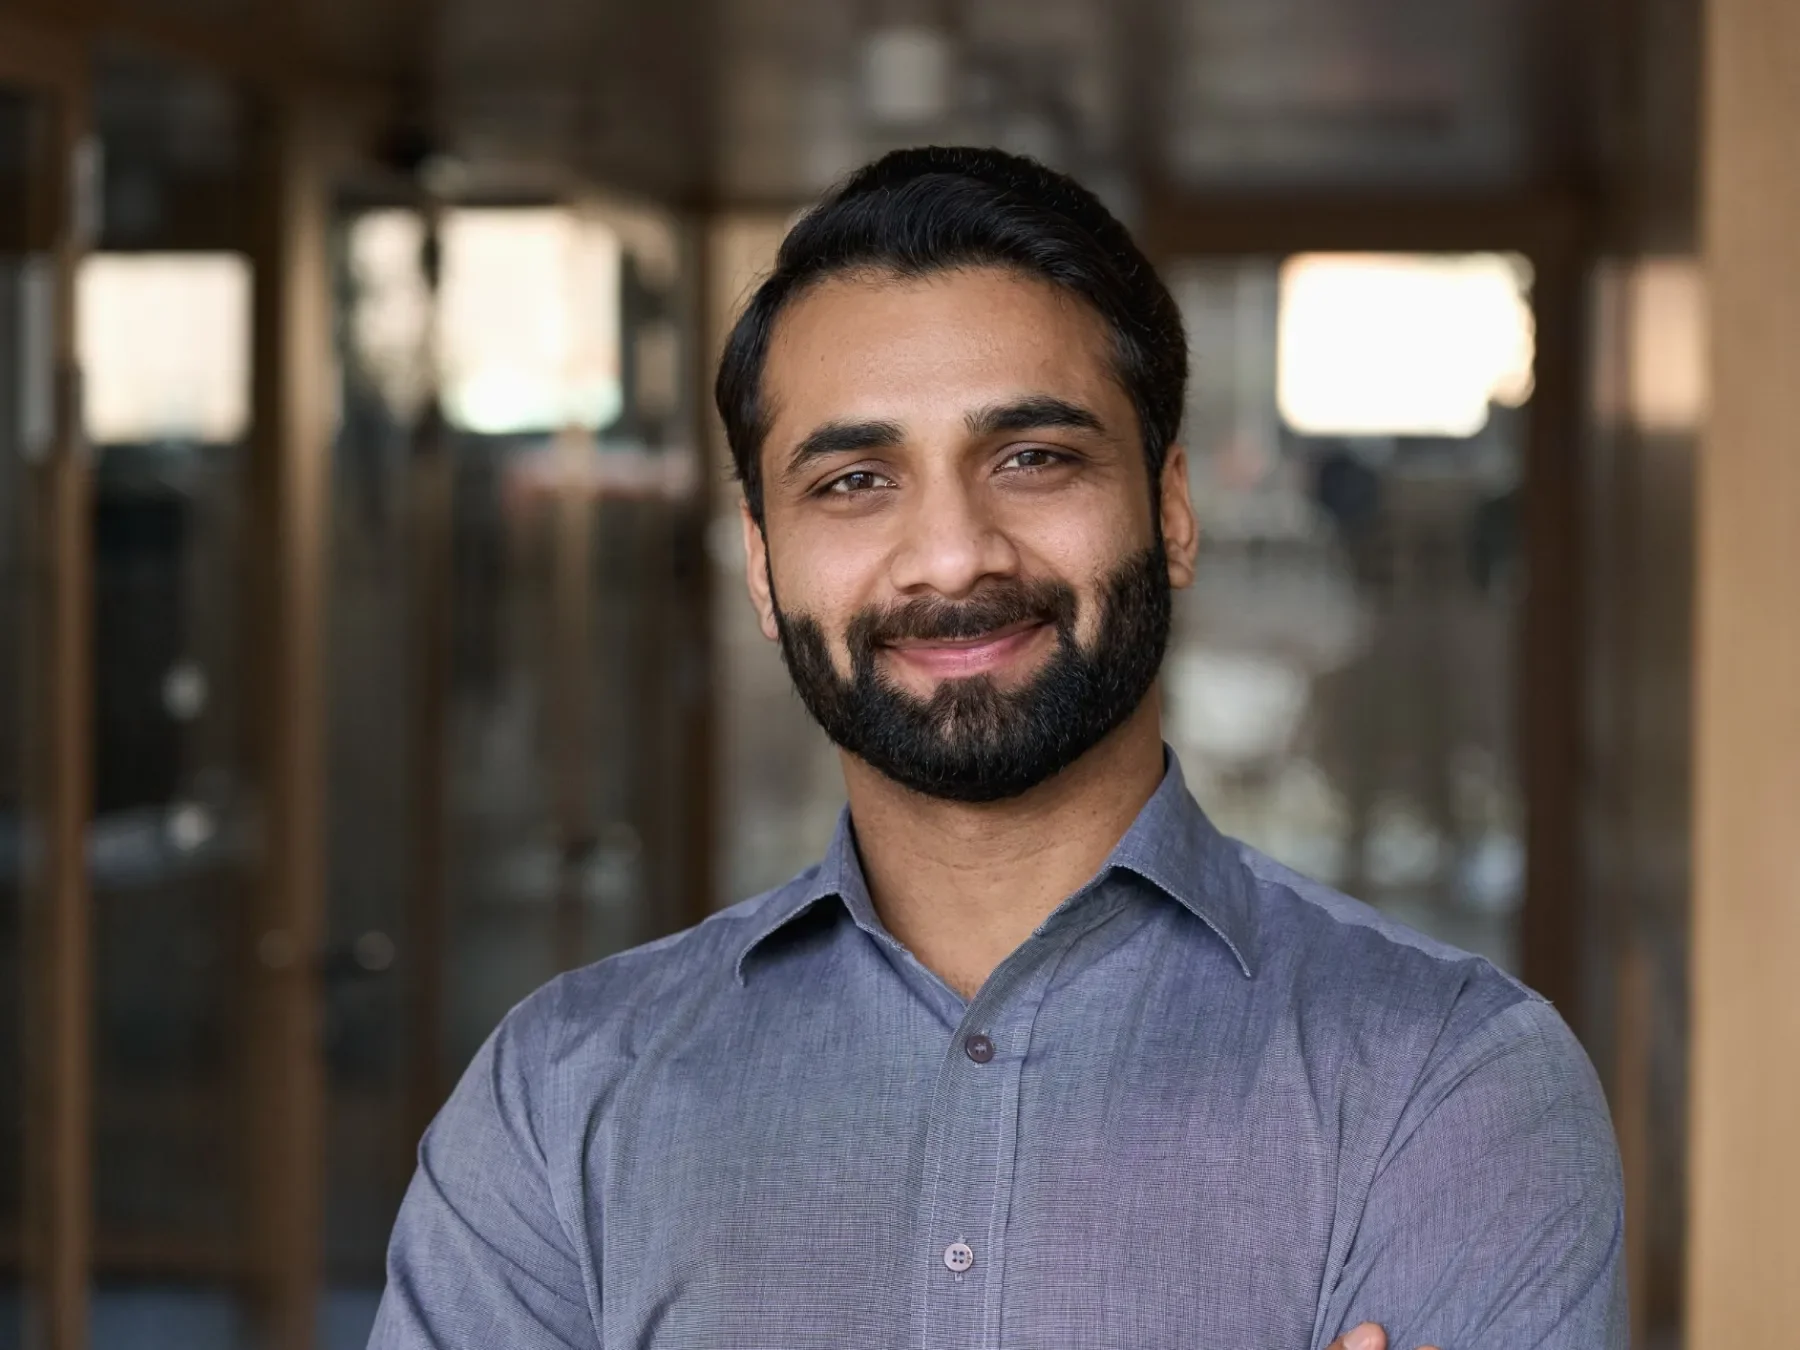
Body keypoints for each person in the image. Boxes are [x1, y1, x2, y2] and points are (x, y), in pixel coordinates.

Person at [369, 147, 1625, 1350]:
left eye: (1033, 458)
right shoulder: (558, 1100)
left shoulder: (1450, 1085)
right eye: (855, 480)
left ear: (1170, 510)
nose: (955, 552)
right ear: (763, 567)